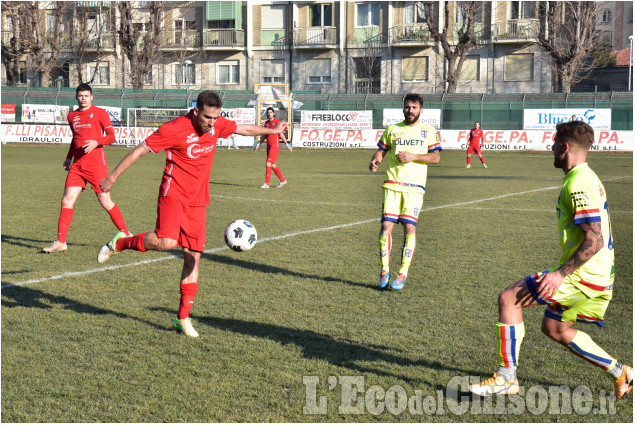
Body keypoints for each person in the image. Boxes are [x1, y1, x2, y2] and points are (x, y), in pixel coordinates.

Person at [97, 91, 288, 337]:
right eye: (208, 117)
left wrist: (270, 131)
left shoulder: (217, 124)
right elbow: (140, 150)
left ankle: (182, 319)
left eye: (216, 118)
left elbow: (242, 129)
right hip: (173, 193)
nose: (212, 123)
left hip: (198, 201)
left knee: (193, 258)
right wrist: (112, 177)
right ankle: (121, 242)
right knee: (166, 242)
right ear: (196, 111)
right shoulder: (174, 128)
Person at [468, 121, 632, 399]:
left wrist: (560, 274)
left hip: (583, 276)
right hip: (598, 275)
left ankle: (507, 379)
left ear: (564, 147)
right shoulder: (584, 176)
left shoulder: (579, 182)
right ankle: (622, 373)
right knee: (555, 328)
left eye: (555, 143)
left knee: (509, 299)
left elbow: (595, 239)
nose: (551, 148)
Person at [42, 83, 130, 253]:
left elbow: (112, 136)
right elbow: (75, 139)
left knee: (105, 200)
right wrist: (69, 157)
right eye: (80, 96)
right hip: (77, 165)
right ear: (76, 97)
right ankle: (61, 242)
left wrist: (97, 142)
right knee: (66, 200)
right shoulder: (72, 116)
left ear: (91, 97)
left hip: (96, 165)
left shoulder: (100, 113)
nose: (83, 99)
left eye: (86, 96)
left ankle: (125, 233)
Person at [368, 93, 441, 291]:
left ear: (421, 110)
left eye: (414, 107)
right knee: (386, 226)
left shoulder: (428, 130)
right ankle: (384, 270)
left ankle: (402, 273)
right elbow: (382, 150)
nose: (410, 111)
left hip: (415, 188)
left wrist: (412, 156)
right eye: (408, 107)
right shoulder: (392, 130)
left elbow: (435, 158)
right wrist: (376, 159)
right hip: (392, 184)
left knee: (409, 229)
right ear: (403, 109)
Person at [255, 107, 292, 188]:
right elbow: (264, 135)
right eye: (268, 112)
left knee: (268, 163)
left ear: (273, 113)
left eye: (271, 112)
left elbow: (281, 134)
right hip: (268, 145)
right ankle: (282, 180)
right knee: (273, 165)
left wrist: (287, 145)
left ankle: (266, 184)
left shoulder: (277, 123)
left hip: (275, 145)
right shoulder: (266, 123)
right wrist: (258, 144)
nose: (269, 114)